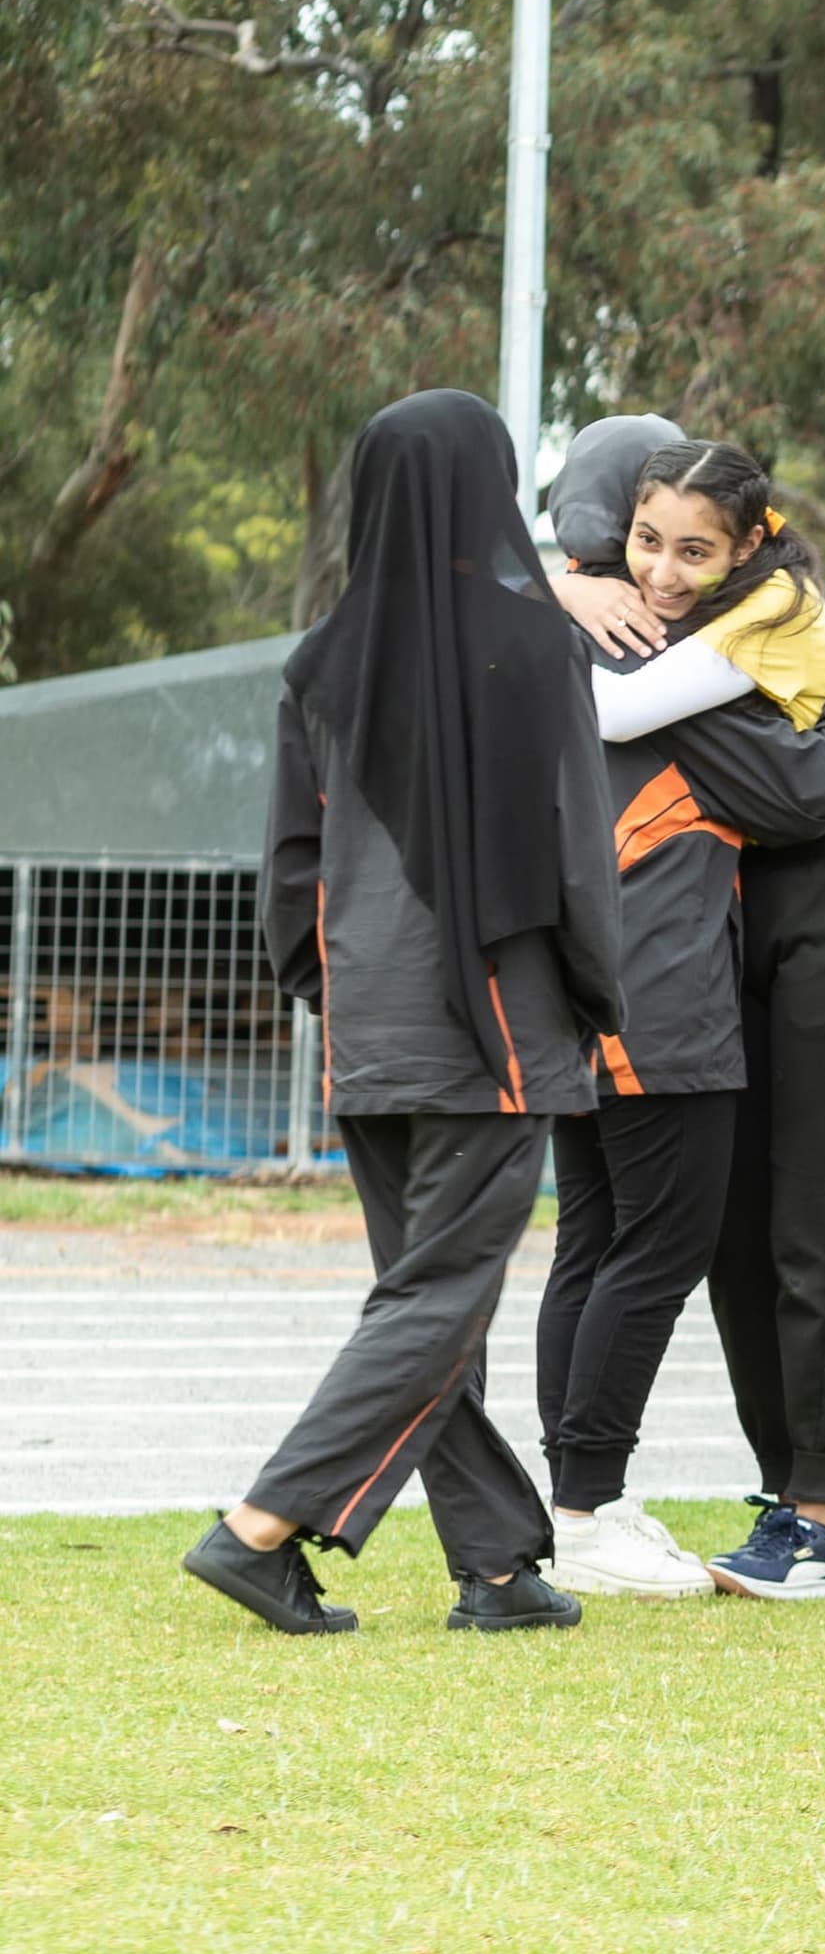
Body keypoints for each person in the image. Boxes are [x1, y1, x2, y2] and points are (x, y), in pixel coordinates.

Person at [181, 390, 621, 1638]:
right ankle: (261, 1527)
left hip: (368, 1022)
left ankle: (494, 1567)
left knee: (428, 1298)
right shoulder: (538, 649)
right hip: (499, 1021)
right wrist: (597, 993)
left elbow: (289, 865)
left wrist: (334, 992)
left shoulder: (322, 657)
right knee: (437, 1300)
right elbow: (581, 855)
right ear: (489, 486)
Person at [530, 415, 825, 1598]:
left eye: (695, 551)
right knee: (691, 1236)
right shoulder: (631, 621)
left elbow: (631, 720)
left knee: (791, 1216)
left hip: (804, 915)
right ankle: (624, 1501)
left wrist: (559, 595)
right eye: (645, 541)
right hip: (690, 944)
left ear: (746, 548)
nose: (663, 572)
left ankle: (819, 1511)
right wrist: (559, 584)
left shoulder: (776, 613)